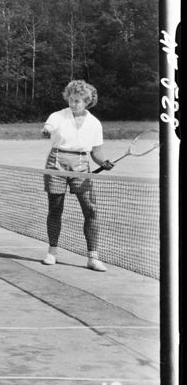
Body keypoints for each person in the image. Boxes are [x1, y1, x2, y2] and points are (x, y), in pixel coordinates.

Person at [41, 79, 113, 271]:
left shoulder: (95, 123)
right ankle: (52, 252)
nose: (73, 104)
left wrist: (103, 162)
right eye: (71, 99)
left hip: (81, 164)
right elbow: (48, 127)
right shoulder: (58, 116)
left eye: (77, 101)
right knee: (55, 208)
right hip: (56, 162)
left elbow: (96, 153)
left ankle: (93, 257)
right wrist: (46, 131)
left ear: (87, 101)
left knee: (91, 210)